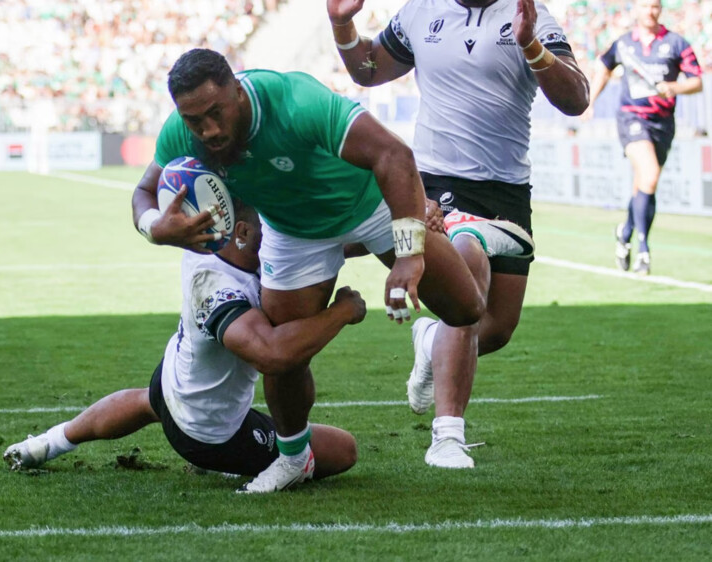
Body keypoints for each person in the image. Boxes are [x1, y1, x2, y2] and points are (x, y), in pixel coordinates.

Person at [132, 48, 534, 490]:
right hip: (292, 231)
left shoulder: (295, 101)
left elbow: (394, 156)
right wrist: (156, 228)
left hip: (372, 205)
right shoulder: (181, 132)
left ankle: (462, 240)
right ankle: (292, 457)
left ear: (237, 92)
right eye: (194, 120)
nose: (207, 130)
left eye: (215, 113)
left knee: (467, 311)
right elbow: (144, 192)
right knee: (285, 358)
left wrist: (407, 255)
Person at [326, 0, 589, 467]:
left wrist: (530, 44)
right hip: (435, 186)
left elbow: (576, 98)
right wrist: (342, 23)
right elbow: (368, 70)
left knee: (496, 328)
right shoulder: (421, 12)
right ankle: (447, 436)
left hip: (506, 193)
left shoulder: (528, 14)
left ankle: (428, 341)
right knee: (471, 258)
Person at [4, 202, 364, 491]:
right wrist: (342, 311)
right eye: (274, 231)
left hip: (172, 382)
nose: (284, 240)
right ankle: (239, 464)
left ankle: (47, 444)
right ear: (242, 232)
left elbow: (323, 245)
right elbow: (271, 354)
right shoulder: (217, 286)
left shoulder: (212, 249)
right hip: (209, 432)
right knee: (343, 449)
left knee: (145, 402)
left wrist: (398, 227)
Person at [583, 0, 703, 275]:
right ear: (635, 10)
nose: (651, 11)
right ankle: (644, 249)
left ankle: (624, 233)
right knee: (649, 174)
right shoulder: (623, 43)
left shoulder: (676, 43)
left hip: (663, 122)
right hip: (631, 118)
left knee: (645, 186)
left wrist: (675, 86)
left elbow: (696, 82)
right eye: (646, 6)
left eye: (655, 6)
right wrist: (590, 101)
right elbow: (604, 66)